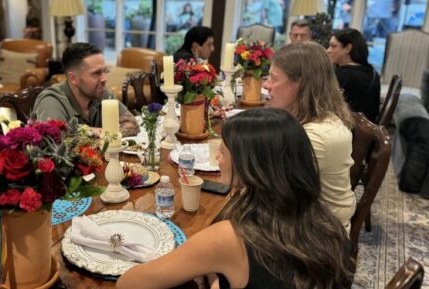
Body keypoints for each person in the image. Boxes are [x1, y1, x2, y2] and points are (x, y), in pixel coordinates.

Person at [117, 108, 351, 289]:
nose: (217, 157)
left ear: (251, 167)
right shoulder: (330, 226)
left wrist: (208, 261)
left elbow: (129, 283)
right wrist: (212, 267)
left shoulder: (230, 238)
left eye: (224, 152)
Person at [263, 42, 356, 231]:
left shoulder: (316, 137)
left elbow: (268, 190)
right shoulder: (316, 118)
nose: (266, 85)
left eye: (273, 78)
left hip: (319, 236)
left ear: (301, 84)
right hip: (307, 219)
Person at [33, 42, 138, 136]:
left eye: (105, 71)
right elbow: (55, 137)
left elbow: (132, 124)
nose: (104, 79)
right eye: (96, 73)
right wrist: (96, 132)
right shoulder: (51, 100)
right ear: (73, 78)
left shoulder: (101, 93)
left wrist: (101, 133)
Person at [327, 28, 380, 122]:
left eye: (333, 46)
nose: (328, 50)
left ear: (347, 48)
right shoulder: (373, 72)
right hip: (368, 131)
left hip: (348, 131)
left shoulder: (342, 75)